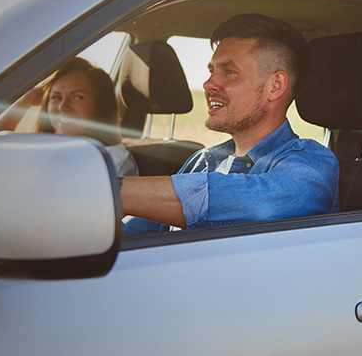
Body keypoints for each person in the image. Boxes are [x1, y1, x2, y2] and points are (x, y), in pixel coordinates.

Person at [122, 13, 339, 233]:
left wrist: (116, 191)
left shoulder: (313, 164)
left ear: (275, 86)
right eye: (211, 71)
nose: (208, 84)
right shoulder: (202, 160)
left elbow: (259, 206)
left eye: (229, 71)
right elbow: (131, 234)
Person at [0, 57, 139, 177]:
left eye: (78, 97)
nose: (62, 106)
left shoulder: (113, 158)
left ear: (99, 107)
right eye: (56, 97)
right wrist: (24, 102)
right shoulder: (42, 147)